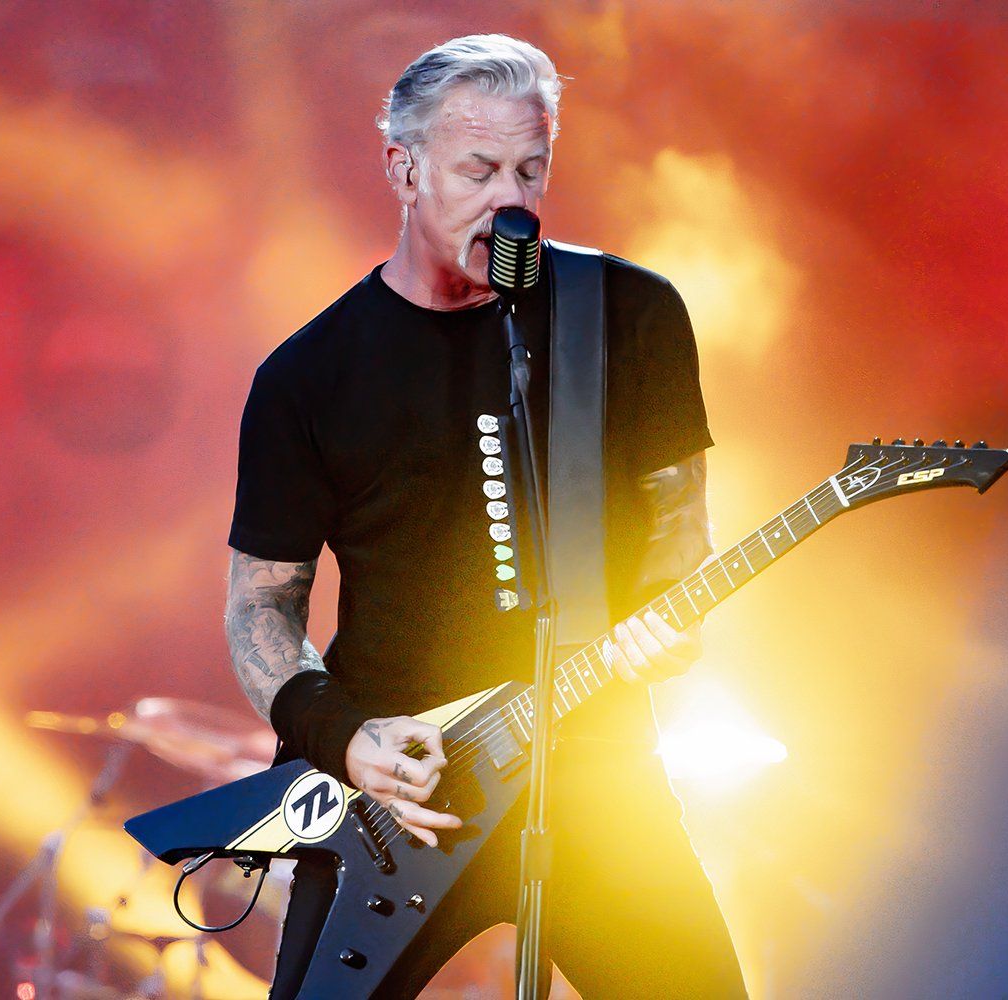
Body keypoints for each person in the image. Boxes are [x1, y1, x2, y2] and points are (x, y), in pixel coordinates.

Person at [223, 33, 747, 997]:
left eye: (530, 169)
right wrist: (348, 739)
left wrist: (672, 616)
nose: (512, 200)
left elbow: (679, 527)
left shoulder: (626, 315)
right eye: (478, 170)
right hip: (399, 799)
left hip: (596, 776)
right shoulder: (309, 374)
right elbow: (261, 609)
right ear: (404, 169)